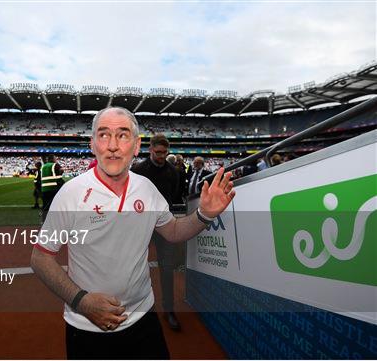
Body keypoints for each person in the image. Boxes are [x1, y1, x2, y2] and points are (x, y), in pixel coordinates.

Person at [30, 107, 235, 359]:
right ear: (92, 145)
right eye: (103, 135)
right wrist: (82, 301)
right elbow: (40, 258)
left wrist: (205, 214)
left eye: (123, 135)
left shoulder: (146, 189)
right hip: (87, 326)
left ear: (137, 146)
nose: (113, 145)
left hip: (143, 317)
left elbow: (172, 230)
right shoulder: (71, 193)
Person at [131, 134, 181, 330]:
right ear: (150, 149)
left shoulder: (173, 172)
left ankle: (169, 309)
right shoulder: (138, 170)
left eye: (164, 153)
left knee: (167, 268)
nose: (161, 156)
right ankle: (134, 307)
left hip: (163, 225)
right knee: (133, 265)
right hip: (140, 225)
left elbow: (174, 196)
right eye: (157, 152)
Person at [40, 154, 64, 222]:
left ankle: (44, 221)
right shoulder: (55, 165)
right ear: (53, 159)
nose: (56, 159)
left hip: (44, 189)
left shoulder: (43, 166)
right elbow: (61, 172)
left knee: (45, 205)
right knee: (56, 205)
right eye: (55, 158)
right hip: (53, 188)